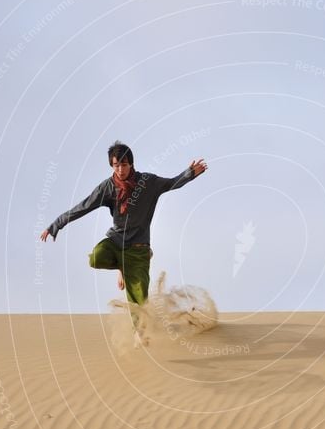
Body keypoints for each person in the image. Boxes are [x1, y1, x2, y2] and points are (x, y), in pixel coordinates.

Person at [39, 141, 208, 329]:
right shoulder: (108, 187)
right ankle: (122, 266)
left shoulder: (147, 182)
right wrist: (56, 225)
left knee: (138, 299)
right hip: (116, 241)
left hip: (139, 249)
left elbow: (171, 183)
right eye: (116, 165)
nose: (120, 169)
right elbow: (84, 206)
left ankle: (140, 333)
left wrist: (190, 173)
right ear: (112, 165)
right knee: (96, 258)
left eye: (124, 165)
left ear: (131, 164)